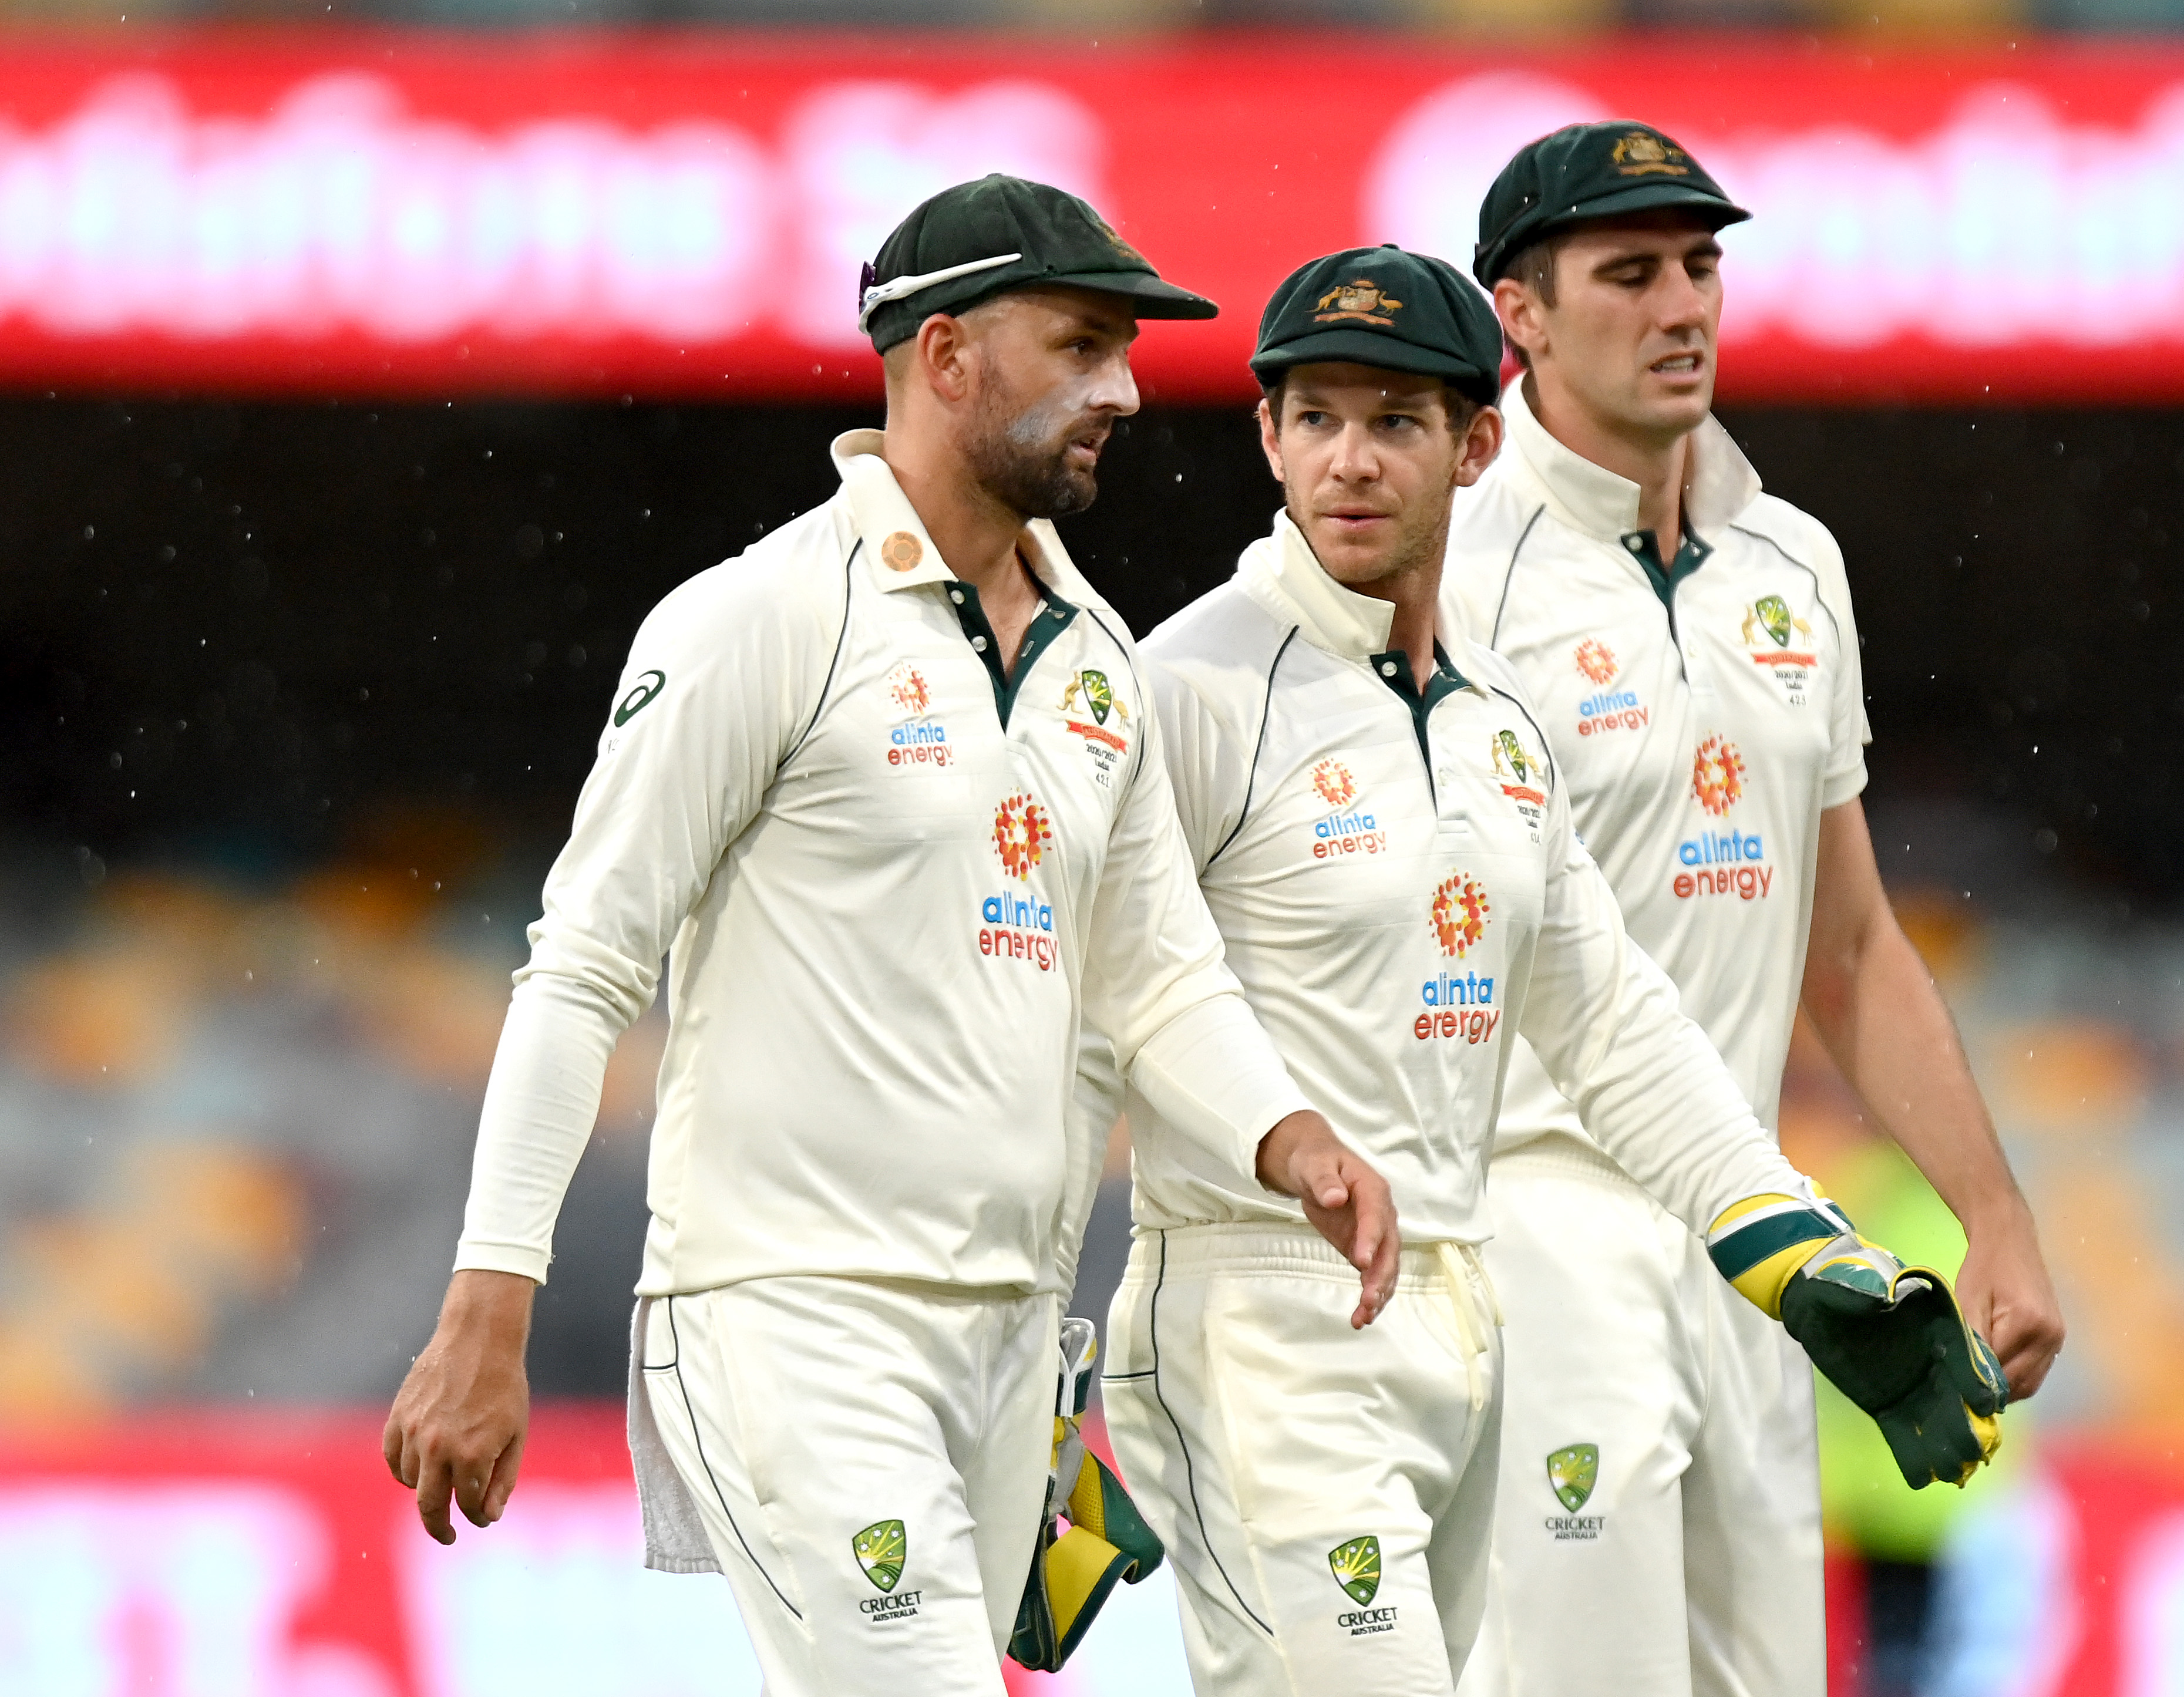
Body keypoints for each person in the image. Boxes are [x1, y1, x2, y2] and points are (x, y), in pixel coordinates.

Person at [379, 176, 1400, 1697]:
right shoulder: (760, 619)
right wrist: (487, 1302)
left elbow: (1156, 970)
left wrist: (1288, 1136)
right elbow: (588, 962)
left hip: (1005, 1338)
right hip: (791, 1316)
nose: (1123, 388)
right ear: (945, 357)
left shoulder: (1099, 658)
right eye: (1079, 344)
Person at [1096, 244, 2004, 1697]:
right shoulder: (1183, 688)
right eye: (1314, 416)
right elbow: (1089, 1021)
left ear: (1473, 445)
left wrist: (1790, 1242)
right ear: (1263, 434)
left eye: (1395, 422)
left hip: (1456, 1317)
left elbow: (1615, 1022)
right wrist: (1032, 1409)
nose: (1348, 460)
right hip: (1262, 1319)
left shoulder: (1497, 719)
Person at [1441, 122, 2068, 1697]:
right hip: (1538, 1232)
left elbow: (1847, 943)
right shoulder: (1444, 571)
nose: (1682, 306)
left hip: (1759, 1250)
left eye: (1702, 266)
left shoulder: (1792, 562)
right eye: (1630, 272)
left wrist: (1991, 1210)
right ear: (1516, 313)